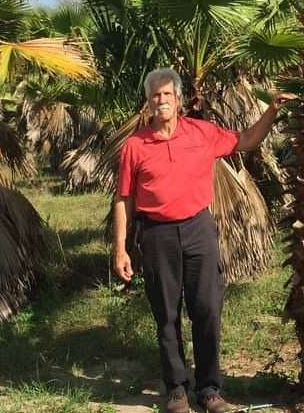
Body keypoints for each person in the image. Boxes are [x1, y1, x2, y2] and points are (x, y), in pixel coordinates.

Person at [113, 67, 288, 413]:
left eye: (166, 94)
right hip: (156, 233)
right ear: (147, 102)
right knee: (165, 313)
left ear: (178, 100)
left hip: (198, 228)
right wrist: (121, 248)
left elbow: (246, 141)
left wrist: (273, 110)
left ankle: (209, 389)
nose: (160, 100)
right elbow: (123, 199)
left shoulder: (201, 133)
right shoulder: (135, 146)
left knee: (207, 309)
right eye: (154, 95)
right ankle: (176, 389)